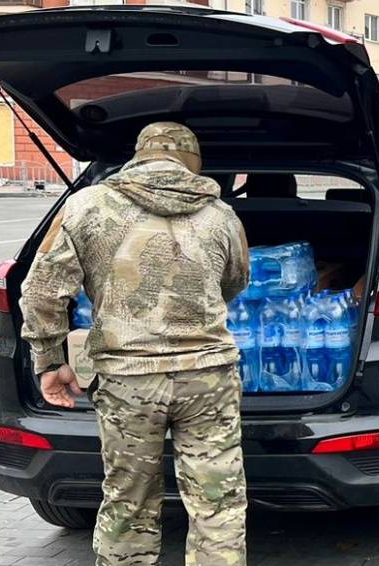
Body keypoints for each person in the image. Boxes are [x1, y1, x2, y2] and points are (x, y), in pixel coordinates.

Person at [20, 121, 251, 566]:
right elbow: (236, 281)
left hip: (127, 380)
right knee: (217, 503)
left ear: (138, 156)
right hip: (208, 378)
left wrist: (49, 360)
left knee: (129, 502)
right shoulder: (221, 214)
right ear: (192, 163)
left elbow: (41, 292)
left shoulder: (87, 206)